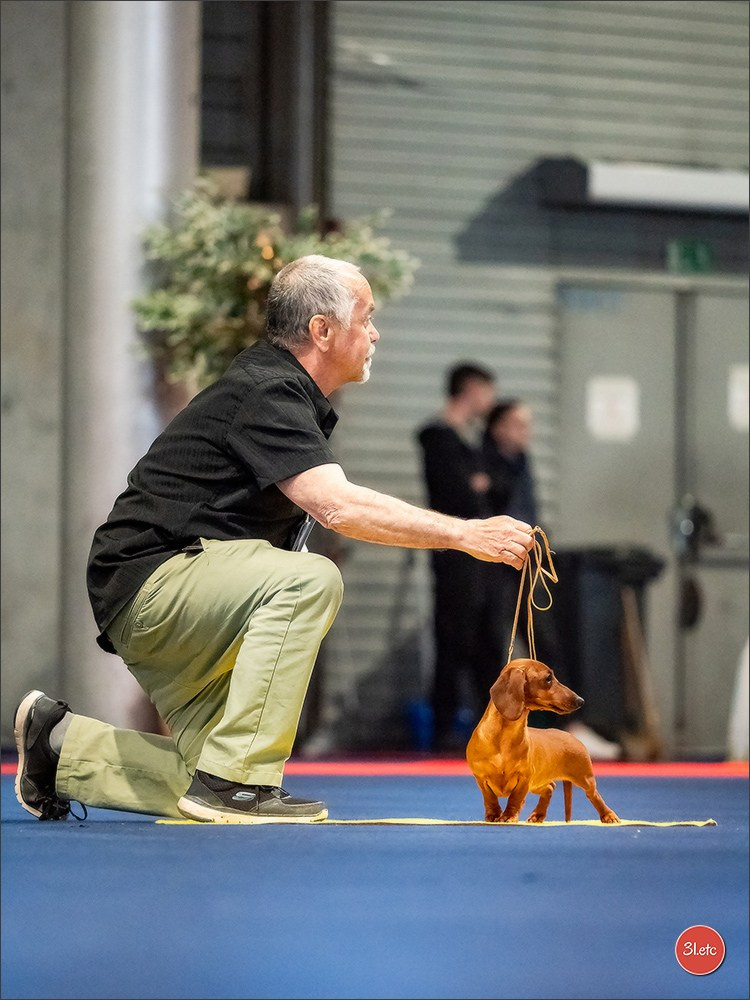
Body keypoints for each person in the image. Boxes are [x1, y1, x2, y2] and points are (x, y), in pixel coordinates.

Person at [14, 255, 534, 824]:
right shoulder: (268, 389)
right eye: (367, 317)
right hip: (156, 583)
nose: (376, 332)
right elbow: (335, 505)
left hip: (157, 597)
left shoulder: (281, 393)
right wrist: (464, 532)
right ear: (322, 330)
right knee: (309, 579)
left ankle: (58, 750)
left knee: (200, 775)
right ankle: (237, 783)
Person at [482, 399, 621, 760]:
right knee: (493, 648)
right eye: (517, 424)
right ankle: (495, 730)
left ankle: (570, 727)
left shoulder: (521, 463)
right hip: (490, 569)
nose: (525, 432)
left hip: (525, 563)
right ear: (497, 427)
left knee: (546, 644)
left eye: (528, 425)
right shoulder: (483, 459)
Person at [416, 362, 503, 751]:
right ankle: (444, 725)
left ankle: (494, 723)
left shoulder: (473, 441)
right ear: (469, 390)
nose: (492, 400)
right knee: (453, 637)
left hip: (477, 555)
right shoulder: (438, 437)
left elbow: (486, 487)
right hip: (454, 553)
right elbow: (462, 493)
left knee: (486, 638)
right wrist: (475, 485)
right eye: (487, 391)